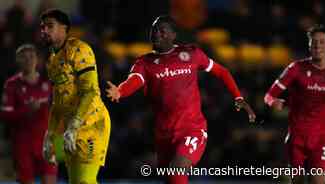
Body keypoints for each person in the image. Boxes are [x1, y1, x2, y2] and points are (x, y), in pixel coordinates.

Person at [106, 15, 256, 184]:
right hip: (164, 135)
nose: (157, 34)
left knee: (176, 171)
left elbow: (222, 72)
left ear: (173, 35)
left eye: (162, 31)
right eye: (154, 30)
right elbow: (135, 80)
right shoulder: (144, 63)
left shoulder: (191, 54)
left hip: (192, 129)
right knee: (170, 178)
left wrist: (238, 97)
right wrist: (120, 91)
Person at [264, 25, 325, 184]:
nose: (317, 45)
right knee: (297, 181)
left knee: (318, 181)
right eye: (314, 42)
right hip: (297, 137)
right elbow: (269, 95)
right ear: (309, 45)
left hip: (323, 138)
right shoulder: (295, 69)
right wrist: (273, 102)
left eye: (322, 42)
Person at [39, 9, 111, 184]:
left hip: (92, 125)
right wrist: (50, 134)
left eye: (50, 26)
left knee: (84, 181)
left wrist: (75, 123)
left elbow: (90, 91)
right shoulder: (52, 60)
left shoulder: (80, 50)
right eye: (43, 27)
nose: (45, 31)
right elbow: (58, 102)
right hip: (70, 131)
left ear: (64, 28)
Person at [0, 44, 57, 184]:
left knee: (50, 180)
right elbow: (5, 115)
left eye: (31, 56)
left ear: (37, 59)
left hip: (46, 143)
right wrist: (27, 109)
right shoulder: (11, 85)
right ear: (17, 61)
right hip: (22, 144)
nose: (28, 60)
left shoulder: (48, 82)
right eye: (23, 57)